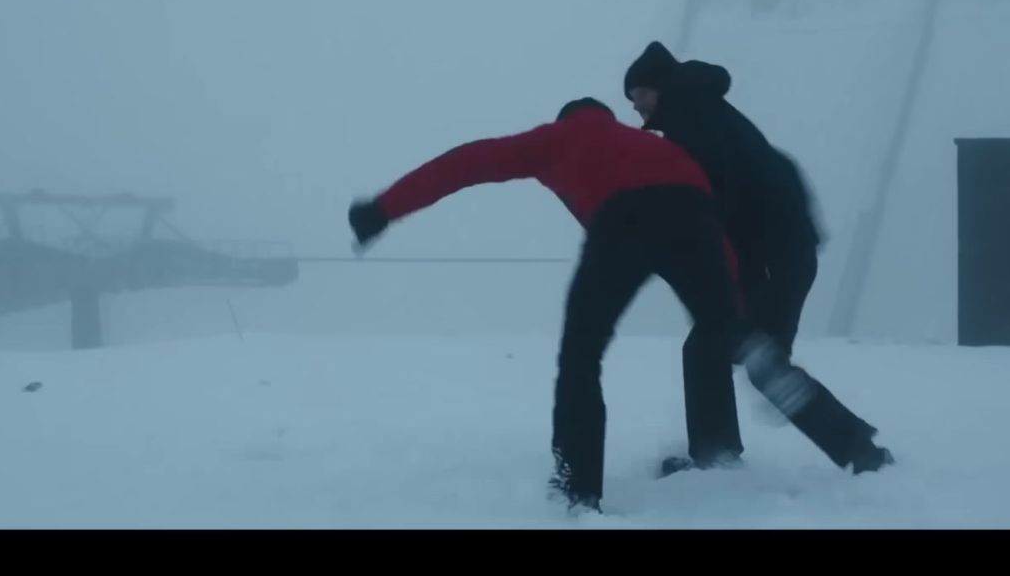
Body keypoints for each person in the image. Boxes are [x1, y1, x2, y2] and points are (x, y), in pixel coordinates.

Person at [347, 98, 800, 514]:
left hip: (624, 219)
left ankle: (577, 489)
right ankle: (855, 447)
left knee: (581, 356)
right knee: (732, 333)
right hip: (694, 217)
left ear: (570, 118)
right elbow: (709, 222)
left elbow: (466, 163)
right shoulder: (652, 145)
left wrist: (384, 208)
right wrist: (733, 300)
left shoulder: (557, 138)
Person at [623, 40, 894, 478]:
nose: (634, 105)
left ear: (656, 87)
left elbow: (714, 193)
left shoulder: (691, 113)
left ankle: (858, 451)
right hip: (777, 256)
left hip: (769, 261)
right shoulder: (702, 110)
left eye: (636, 94)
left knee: (754, 361)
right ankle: (721, 454)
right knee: (726, 353)